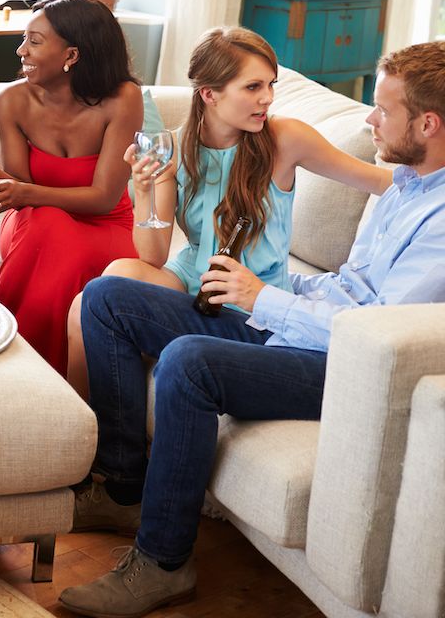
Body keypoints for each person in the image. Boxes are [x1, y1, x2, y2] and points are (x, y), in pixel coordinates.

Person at [59, 40, 445, 618]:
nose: (368, 121)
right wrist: (283, 291)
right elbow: (349, 282)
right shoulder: (407, 188)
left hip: (344, 366)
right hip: (290, 323)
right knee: (108, 297)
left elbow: (378, 334)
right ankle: (121, 485)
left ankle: (163, 562)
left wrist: (265, 298)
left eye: (382, 110)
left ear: (429, 123)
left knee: (188, 360)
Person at [63, 27, 392, 398]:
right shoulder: (172, 147)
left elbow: (385, 183)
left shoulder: (285, 139)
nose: (267, 98)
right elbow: (153, 255)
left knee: (105, 302)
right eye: (253, 87)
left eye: (270, 85)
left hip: (248, 298)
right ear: (209, 94)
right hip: (188, 280)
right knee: (96, 296)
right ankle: (88, 427)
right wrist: (144, 190)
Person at [0, 0, 143, 374]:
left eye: (34, 41)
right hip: (35, 219)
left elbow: (103, 198)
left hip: (106, 224)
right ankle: (34, 371)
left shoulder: (122, 99)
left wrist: (21, 191)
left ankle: (12, 363)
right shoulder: (12, 101)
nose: (20, 51)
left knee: (55, 232)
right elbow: (21, 190)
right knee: (48, 223)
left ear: (72, 55)